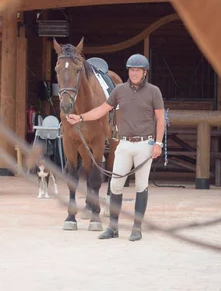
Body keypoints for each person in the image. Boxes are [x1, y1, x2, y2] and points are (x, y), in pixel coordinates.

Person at [67, 53, 165, 241]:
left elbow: (160, 119)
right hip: (124, 143)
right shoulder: (119, 91)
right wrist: (80, 117)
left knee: (141, 186)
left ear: (145, 73)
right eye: (131, 70)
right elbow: (101, 110)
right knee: (116, 184)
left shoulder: (154, 92)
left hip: (145, 144)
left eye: (138, 70)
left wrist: (158, 144)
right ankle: (113, 227)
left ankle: (136, 227)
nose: (134, 73)